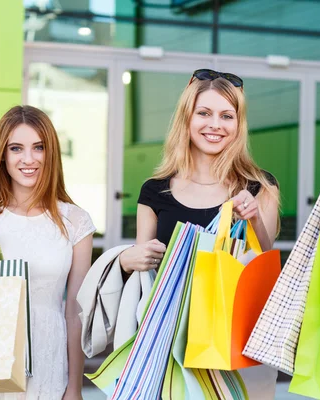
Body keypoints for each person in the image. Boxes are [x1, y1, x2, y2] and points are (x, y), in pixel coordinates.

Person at [118, 69, 280, 397]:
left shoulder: (259, 186)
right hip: (167, 343)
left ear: (238, 124)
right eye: (204, 113)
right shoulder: (154, 191)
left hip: (233, 342)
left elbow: (263, 260)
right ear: (186, 119)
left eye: (226, 116)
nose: (214, 125)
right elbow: (142, 273)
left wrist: (253, 218)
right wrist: (125, 259)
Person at [0, 105, 95, 400]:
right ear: (2, 155)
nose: (28, 159)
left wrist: (74, 387)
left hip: (48, 360)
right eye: (16, 148)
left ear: (51, 153)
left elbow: (75, 311)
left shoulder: (75, 221)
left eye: (38, 147)